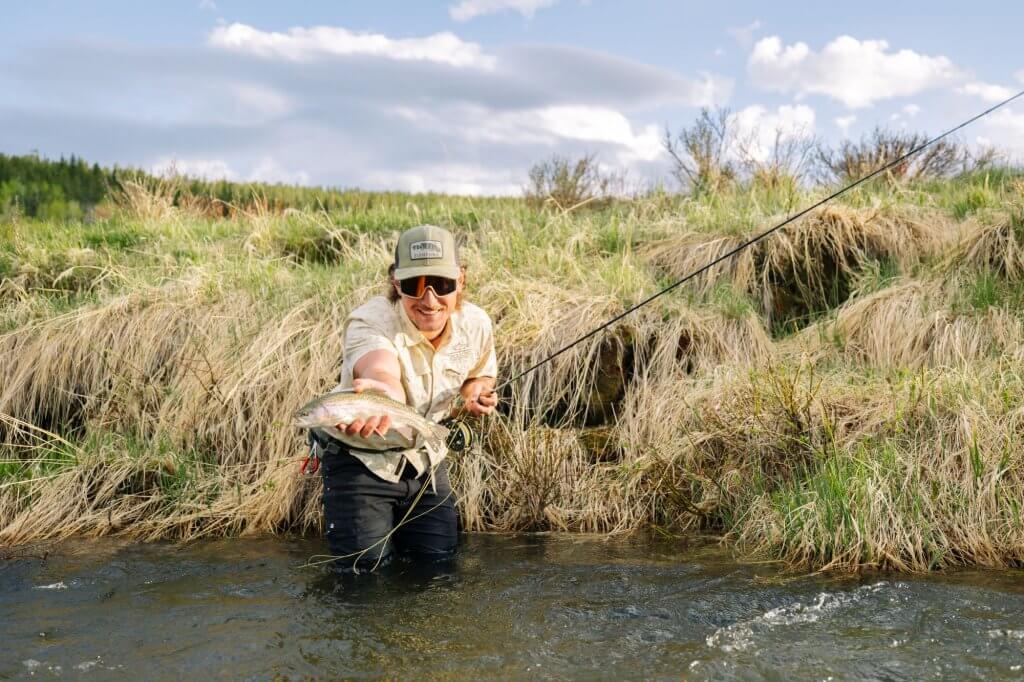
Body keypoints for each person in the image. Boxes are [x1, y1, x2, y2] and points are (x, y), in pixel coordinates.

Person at [315, 224, 498, 571]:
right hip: (361, 465)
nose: (429, 300)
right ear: (396, 282)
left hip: (427, 463)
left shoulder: (476, 324)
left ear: (460, 280)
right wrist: (381, 392)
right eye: (415, 286)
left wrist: (476, 395)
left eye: (441, 285)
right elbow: (381, 370)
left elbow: (479, 374)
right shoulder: (369, 321)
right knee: (364, 583)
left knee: (438, 572)